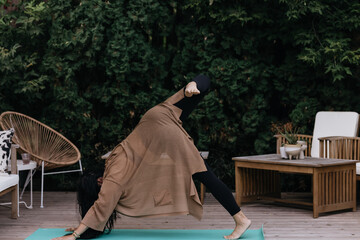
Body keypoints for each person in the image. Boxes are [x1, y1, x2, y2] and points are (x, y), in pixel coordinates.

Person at [52, 75, 251, 240]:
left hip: (160, 129)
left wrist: (76, 234)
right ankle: (192, 85)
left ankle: (241, 219)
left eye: (100, 189)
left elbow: (103, 203)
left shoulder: (113, 175)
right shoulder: (115, 160)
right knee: (197, 87)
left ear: (99, 181)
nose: (106, 191)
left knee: (202, 173)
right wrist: (191, 86)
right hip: (156, 117)